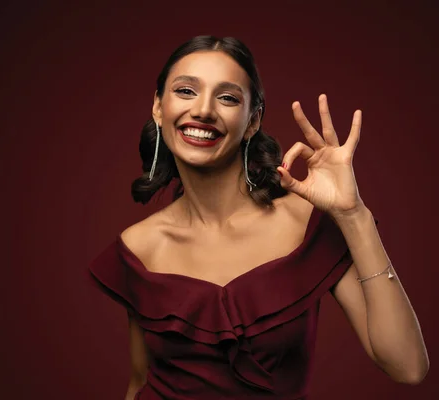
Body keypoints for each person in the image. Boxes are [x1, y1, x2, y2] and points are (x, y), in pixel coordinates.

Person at [87, 36, 428, 399]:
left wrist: (353, 215)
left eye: (228, 97)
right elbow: (139, 382)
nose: (203, 110)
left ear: (253, 121)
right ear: (158, 106)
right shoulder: (137, 247)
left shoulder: (305, 224)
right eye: (186, 91)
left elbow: (407, 366)